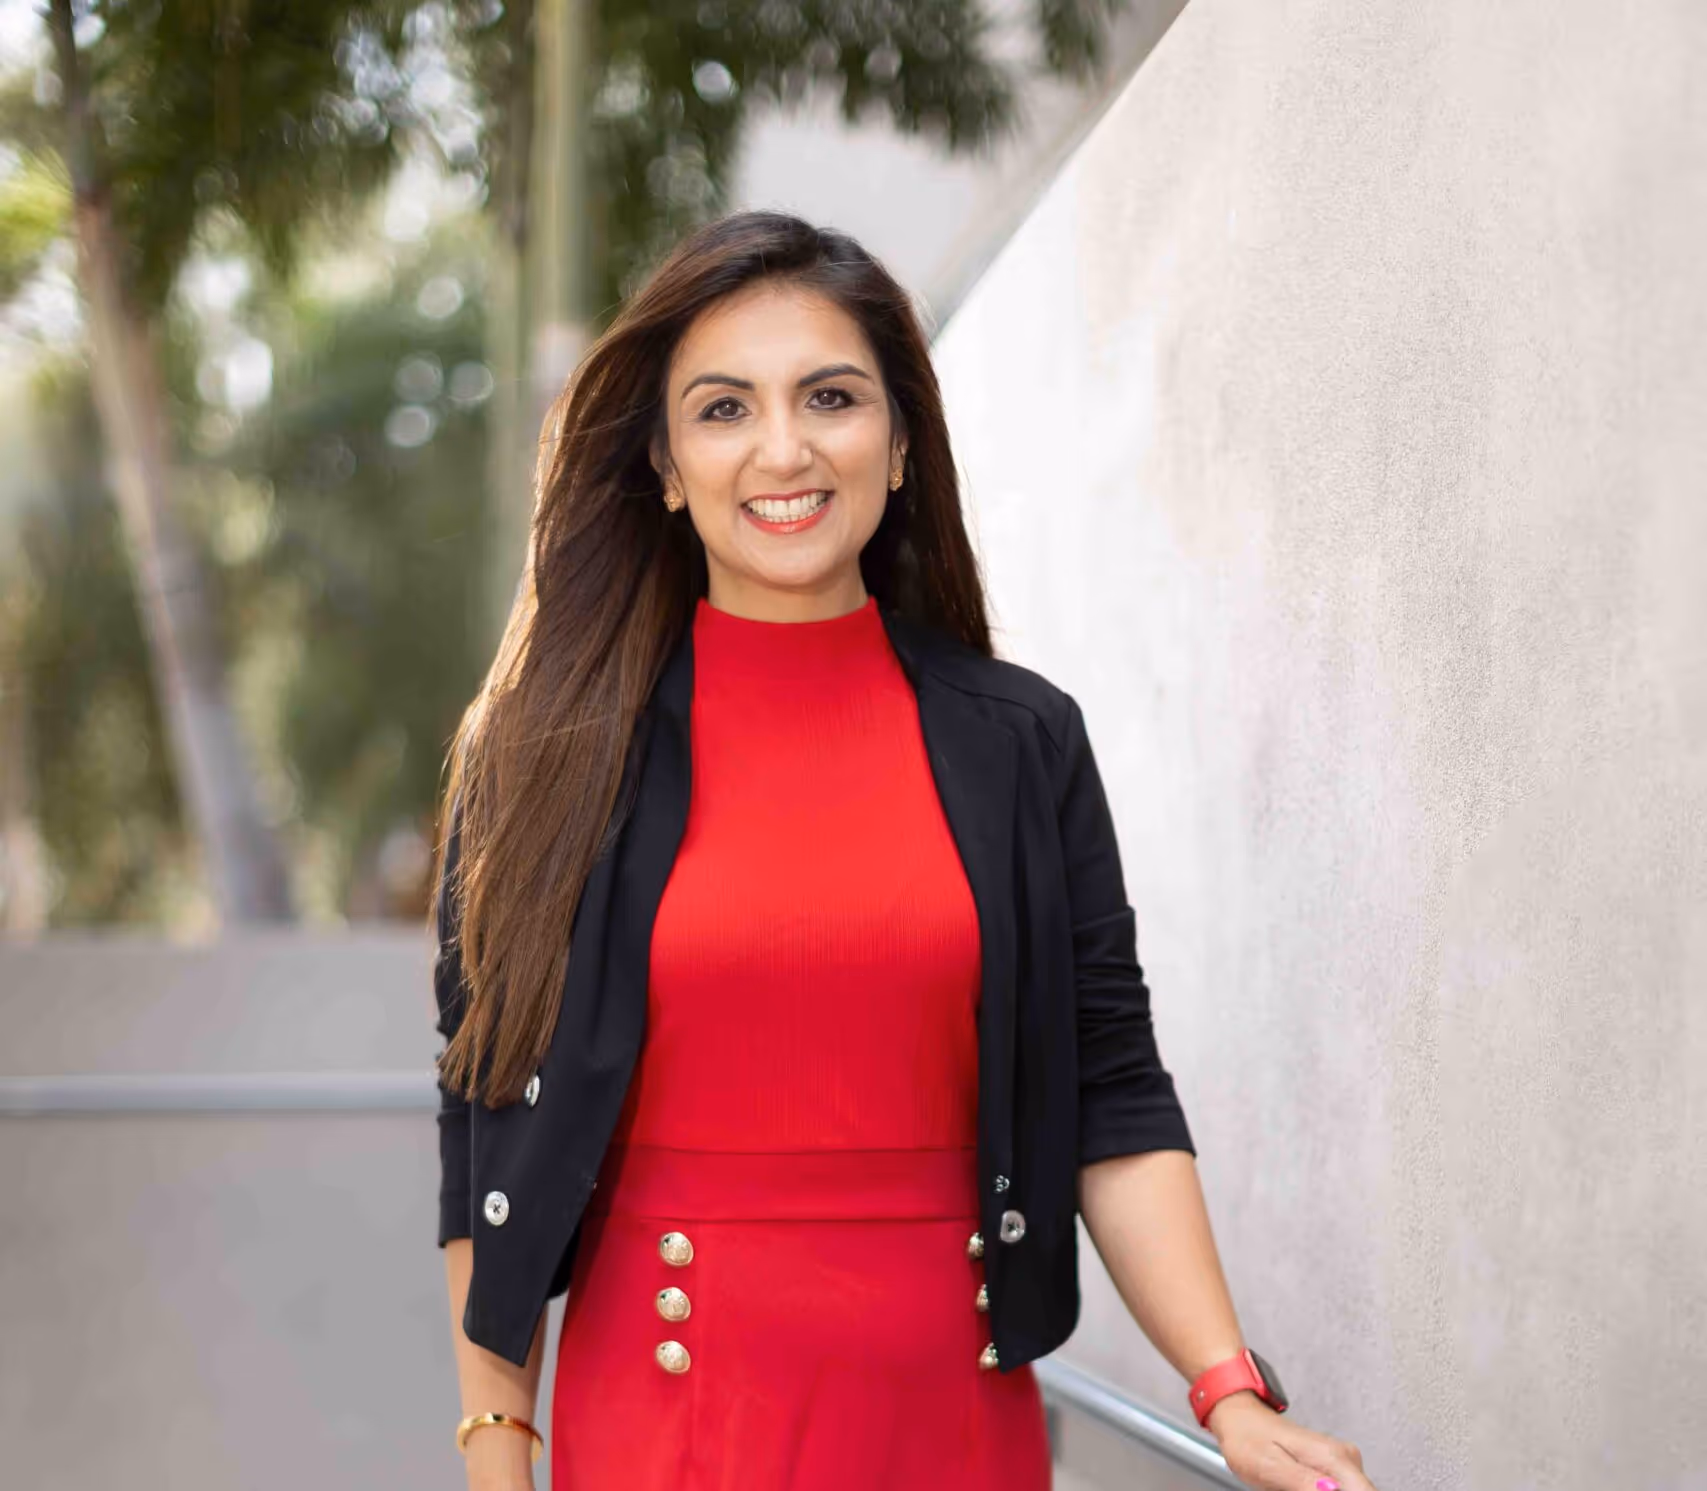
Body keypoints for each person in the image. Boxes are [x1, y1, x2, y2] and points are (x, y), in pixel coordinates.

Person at [431, 208, 1381, 1491]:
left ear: (899, 444)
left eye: (830, 396)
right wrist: (500, 1456)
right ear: (661, 463)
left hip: (953, 1423)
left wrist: (1228, 1390)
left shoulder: (1023, 743)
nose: (784, 448)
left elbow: (1111, 1091)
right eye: (723, 409)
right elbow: (486, 1133)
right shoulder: (546, 757)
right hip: (665, 1431)